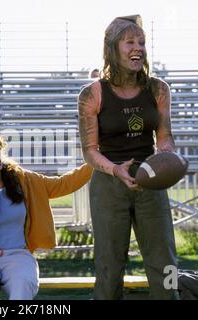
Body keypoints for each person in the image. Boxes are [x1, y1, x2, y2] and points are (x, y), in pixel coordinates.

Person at [78, 14, 178, 300]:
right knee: (109, 266)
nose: (138, 48)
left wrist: (167, 157)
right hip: (109, 184)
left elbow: (165, 137)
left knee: (166, 264)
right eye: (130, 42)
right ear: (112, 47)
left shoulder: (158, 89)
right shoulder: (92, 94)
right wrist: (116, 170)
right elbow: (90, 150)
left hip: (150, 181)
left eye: (142, 42)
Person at [0, 127, 93, 300]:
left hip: (18, 255)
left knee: (23, 285)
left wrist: (95, 163)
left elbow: (62, 184)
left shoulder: (23, 178)